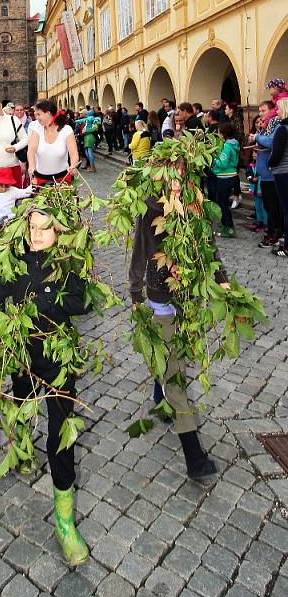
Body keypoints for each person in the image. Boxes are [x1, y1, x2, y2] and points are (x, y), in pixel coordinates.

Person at [0, 209, 91, 566]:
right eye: (31, 227)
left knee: (60, 437)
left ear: (58, 232)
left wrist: (49, 295)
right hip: (23, 357)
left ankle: (64, 522)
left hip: (59, 361)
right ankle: (22, 452)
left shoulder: (68, 263)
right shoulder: (16, 262)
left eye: (45, 229)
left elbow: (84, 302)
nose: (37, 235)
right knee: (21, 407)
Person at [129, 189, 227, 480]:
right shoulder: (150, 207)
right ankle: (194, 458)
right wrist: (136, 295)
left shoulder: (197, 204)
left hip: (189, 299)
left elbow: (209, 248)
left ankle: (160, 396)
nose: (176, 181)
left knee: (176, 356)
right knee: (176, 377)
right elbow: (139, 251)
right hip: (160, 299)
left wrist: (222, 280)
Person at [249, 100, 284, 248]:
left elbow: (271, 142)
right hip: (265, 176)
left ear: (272, 111)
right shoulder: (266, 127)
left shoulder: (276, 126)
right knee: (269, 207)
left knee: (273, 208)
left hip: (272, 175)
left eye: (263, 111)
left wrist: (257, 137)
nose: (261, 114)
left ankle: (274, 234)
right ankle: (273, 232)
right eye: (260, 111)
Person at [27, 100, 79, 185]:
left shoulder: (66, 130)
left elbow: (74, 153)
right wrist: (31, 167)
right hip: (40, 179)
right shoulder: (37, 129)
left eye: (39, 114)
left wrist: (73, 165)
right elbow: (31, 152)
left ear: (48, 113)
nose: (36, 118)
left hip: (63, 179)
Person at [211, 122, 240, 238]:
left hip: (225, 177)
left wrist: (213, 159)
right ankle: (225, 225)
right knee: (223, 202)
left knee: (222, 203)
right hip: (231, 176)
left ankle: (228, 227)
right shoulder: (234, 143)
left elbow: (222, 163)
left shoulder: (227, 147)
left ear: (223, 134)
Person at [269, 99, 288, 256]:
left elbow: (277, 153)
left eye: (279, 109)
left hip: (283, 172)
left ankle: (287, 247)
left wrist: (270, 163)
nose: (277, 112)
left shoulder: (282, 129)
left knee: (286, 209)